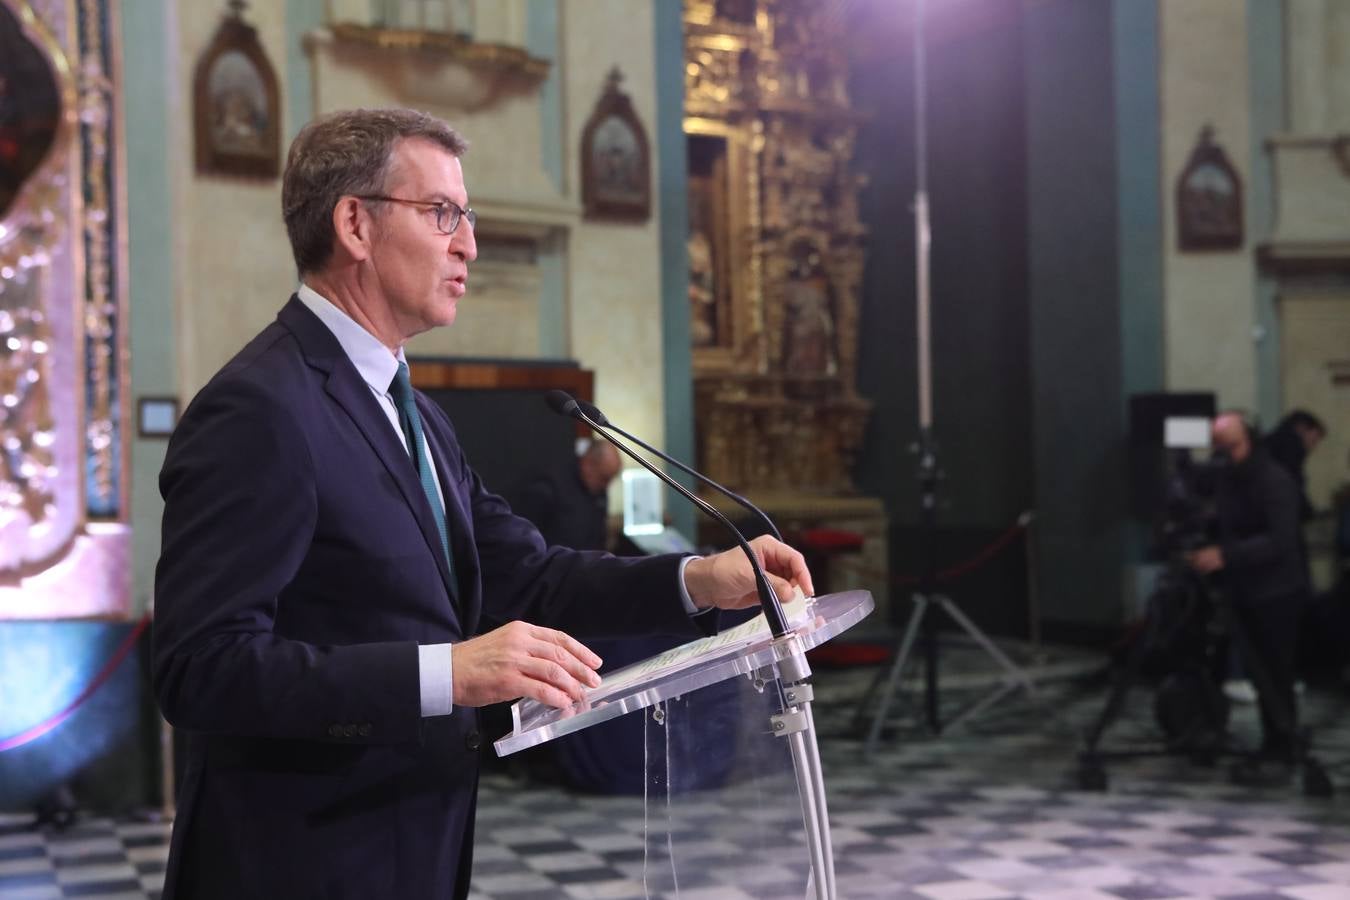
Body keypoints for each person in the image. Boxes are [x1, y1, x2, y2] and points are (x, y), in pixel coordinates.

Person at [151, 108, 813, 900]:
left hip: (416, 847)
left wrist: (700, 580)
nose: (469, 243)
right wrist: (449, 674)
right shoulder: (261, 408)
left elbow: (527, 576)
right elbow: (202, 669)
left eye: (466, 218)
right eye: (442, 215)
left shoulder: (414, 412)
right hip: (298, 863)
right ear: (355, 224)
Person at [1186, 413, 1309, 767]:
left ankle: (1283, 742)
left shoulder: (1274, 481)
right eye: (1218, 446)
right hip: (1243, 587)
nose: (1224, 453)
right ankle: (1272, 740)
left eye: (1232, 445)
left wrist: (1226, 554)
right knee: (1257, 673)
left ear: (1250, 441)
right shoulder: (1227, 479)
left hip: (1276, 591)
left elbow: (1281, 541)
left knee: (1274, 670)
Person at [505, 439, 621, 552]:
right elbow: (523, 539)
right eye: (604, 478)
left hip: (588, 566)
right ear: (588, 464)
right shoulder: (547, 487)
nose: (606, 486)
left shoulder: (598, 491)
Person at [1263, 408, 1326, 522]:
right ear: (1301, 429)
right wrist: (1308, 513)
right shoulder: (1291, 449)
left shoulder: (1269, 443)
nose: (1313, 447)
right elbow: (1292, 485)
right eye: (1313, 440)